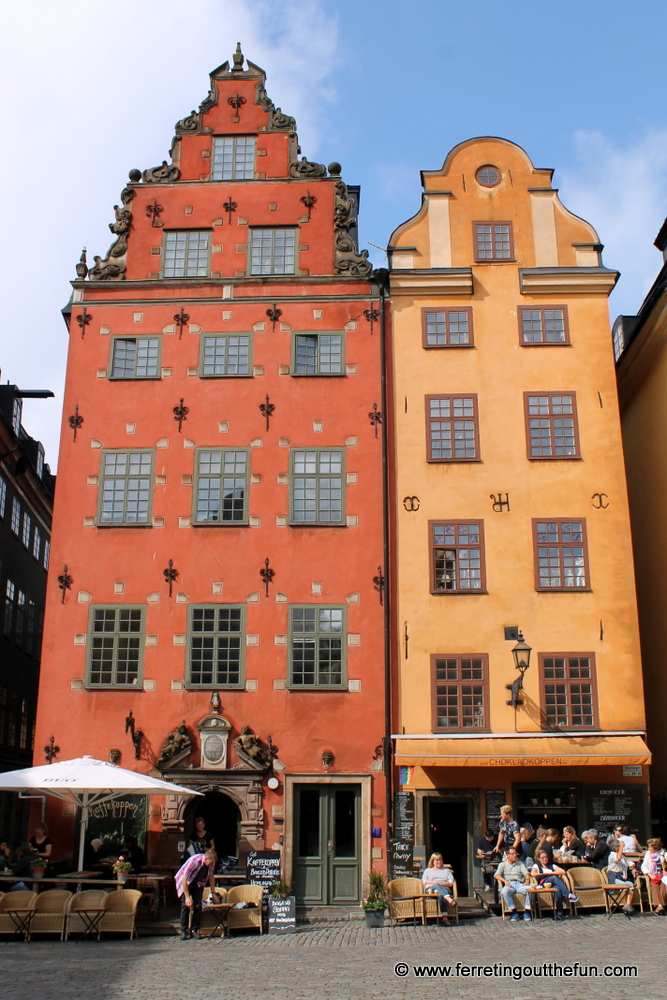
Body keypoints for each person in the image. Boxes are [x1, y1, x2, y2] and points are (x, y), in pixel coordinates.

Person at [175, 848, 218, 940]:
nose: (211, 865)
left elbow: (211, 876)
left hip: (198, 882)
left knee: (198, 906)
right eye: (210, 863)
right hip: (186, 882)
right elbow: (184, 879)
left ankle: (195, 930)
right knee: (185, 905)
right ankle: (183, 930)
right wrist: (187, 897)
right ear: (206, 859)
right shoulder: (194, 861)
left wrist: (213, 892)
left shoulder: (211, 863)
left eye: (212, 864)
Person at [530, 849, 578, 920]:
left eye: (546, 857)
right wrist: (544, 874)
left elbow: (563, 871)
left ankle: (559, 913)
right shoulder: (536, 865)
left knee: (557, 890)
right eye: (542, 858)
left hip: (553, 884)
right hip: (543, 884)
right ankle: (568, 894)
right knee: (554, 878)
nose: (544, 859)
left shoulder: (551, 865)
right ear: (539, 859)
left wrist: (551, 873)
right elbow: (532, 873)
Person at [495, 846, 531, 921]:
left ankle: (527, 911)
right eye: (513, 854)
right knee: (504, 891)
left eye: (515, 853)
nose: (515, 855)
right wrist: (505, 881)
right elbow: (496, 875)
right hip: (510, 884)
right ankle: (514, 912)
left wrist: (527, 880)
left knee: (530, 890)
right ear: (507, 855)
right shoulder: (503, 864)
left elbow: (526, 873)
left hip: (519, 884)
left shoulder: (520, 863)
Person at [422, 852, 456, 925]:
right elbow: (424, 881)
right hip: (431, 891)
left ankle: (445, 918)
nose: (439, 862)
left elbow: (450, 882)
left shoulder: (446, 871)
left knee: (440, 895)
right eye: (437, 860)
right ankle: (449, 900)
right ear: (433, 862)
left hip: (444, 889)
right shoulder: (428, 870)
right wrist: (435, 883)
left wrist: (442, 884)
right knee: (436, 886)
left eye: (440, 860)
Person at [605, 838, 636, 915]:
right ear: (616, 848)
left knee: (631, 885)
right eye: (619, 846)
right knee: (624, 887)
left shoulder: (622, 856)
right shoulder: (612, 855)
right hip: (613, 876)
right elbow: (618, 858)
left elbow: (628, 862)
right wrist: (621, 846)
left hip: (620, 876)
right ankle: (625, 906)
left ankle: (628, 905)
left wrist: (632, 866)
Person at [640, 838, 667, 913]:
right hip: (653, 875)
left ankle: (661, 905)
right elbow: (644, 866)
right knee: (654, 885)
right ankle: (660, 906)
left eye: (650, 847)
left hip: (663, 876)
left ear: (655, 848)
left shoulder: (664, 854)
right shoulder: (648, 854)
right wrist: (649, 874)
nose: (648, 849)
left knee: (663, 887)